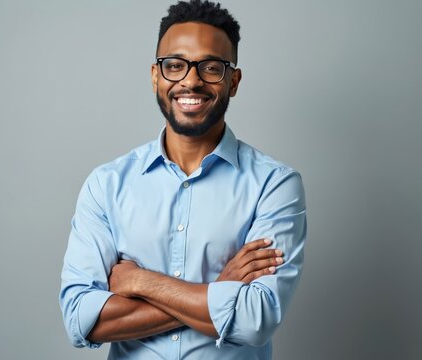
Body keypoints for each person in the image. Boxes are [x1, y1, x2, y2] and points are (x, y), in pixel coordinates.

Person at [59, 0, 306, 359]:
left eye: (210, 67)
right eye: (174, 65)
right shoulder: (107, 185)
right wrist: (220, 291)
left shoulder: (275, 185)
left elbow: (255, 320)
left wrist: (142, 282)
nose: (190, 80)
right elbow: (82, 320)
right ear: (156, 76)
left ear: (233, 81)